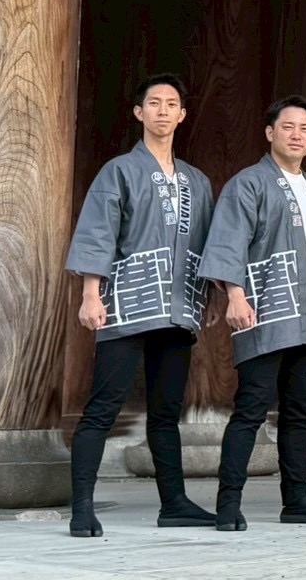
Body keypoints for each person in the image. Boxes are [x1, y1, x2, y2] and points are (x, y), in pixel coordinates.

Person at [200, 96, 306, 531]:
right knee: (251, 407)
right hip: (265, 313)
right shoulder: (248, 183)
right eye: (288, 127)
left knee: (298, 411)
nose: (297, 135)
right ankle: (228, 503)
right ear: (270, 132)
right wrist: (235, 296)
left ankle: (298, 500)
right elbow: (229, 241)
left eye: (305, 128)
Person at [64, 74, 216, 537]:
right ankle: (82, 506)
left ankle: (174, 504)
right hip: (127, 305)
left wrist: (208, 295)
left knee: (166, 411)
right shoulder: (119, 171)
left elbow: (210, 243)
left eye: (171, 104)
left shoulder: (197, 181)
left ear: (182, 115)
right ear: (139, 112)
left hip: (178, 308)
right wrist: (91, 294)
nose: (162, 111)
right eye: (154, 103)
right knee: (103, 406)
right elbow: (98, 233)